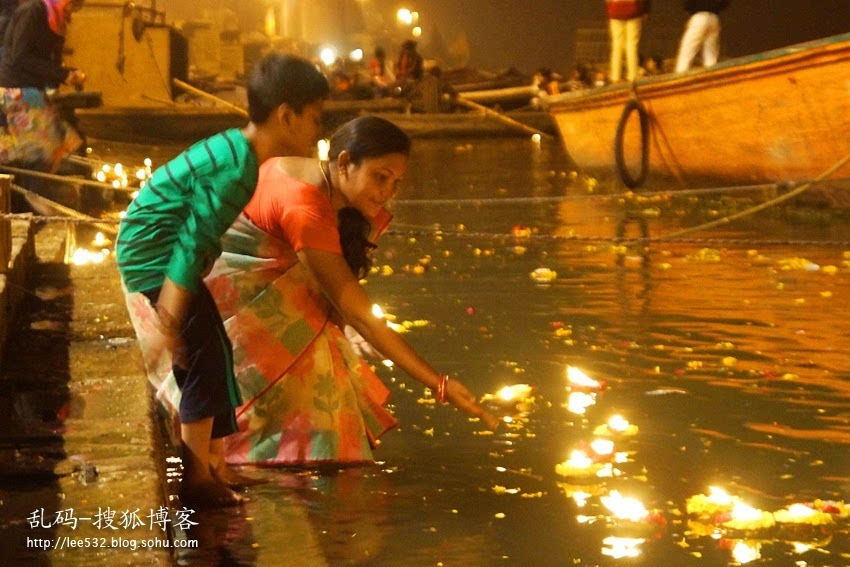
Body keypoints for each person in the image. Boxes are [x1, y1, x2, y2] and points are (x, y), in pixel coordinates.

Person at [127, 116, 497, 468]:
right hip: (230, 303)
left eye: (396, 182)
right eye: (380, 177)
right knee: (320, 413)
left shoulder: (315, 181)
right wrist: (439, 383)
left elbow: (347, 302)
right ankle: (228, 473)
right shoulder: (304, 206)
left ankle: (234, 468)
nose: (387, 193)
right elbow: (356, 311)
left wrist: (349, 322)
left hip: (248, 302)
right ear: (345, 162)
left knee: (324, 377)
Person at [117, 53, 329, 507]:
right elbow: (192, 242)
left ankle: (215, 464)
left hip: (155, 247)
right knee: (202, 358)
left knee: (215, 349)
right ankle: (196, 479)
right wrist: (170, 317)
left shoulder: (238, 151)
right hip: (155, 253)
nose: (318, 131)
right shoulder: (238, 169)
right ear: (286, 116)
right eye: (315, 119)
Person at [0, 0, 86, 170]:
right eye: (71, 5)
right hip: (17, 90)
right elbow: (20, 57)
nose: (71, 11)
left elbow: (46, 61)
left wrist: (68, 74)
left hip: (34, 90)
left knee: (69, 143)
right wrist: (62, 74)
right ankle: (30, 192)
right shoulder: (33, 12)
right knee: (41, 153)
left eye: (76, 8)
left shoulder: (54, 20)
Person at [675, 0, 730, 73]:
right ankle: (712, 78)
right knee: (711, 57)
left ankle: (679, 78)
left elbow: (687, 5)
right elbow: (724, 3)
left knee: (687, 52)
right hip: (714, 18)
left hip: (699, 17)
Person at [605, 0, 651, 83]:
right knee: (631, 45)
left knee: (617, 45)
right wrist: (646, 11)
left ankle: (615, 76)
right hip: (633, 10)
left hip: (615, 10)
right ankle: (633, 75)